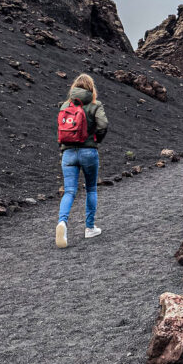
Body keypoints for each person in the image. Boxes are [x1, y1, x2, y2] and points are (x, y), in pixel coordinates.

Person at [55, 74, 108, 248]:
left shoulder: (65, 105)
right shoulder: (94, 105)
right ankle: (89, 227)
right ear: (91, 88)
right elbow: (103, 125)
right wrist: (95, 140)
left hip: (68, 152)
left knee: (69, 191)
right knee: (91, 189)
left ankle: (62, 223)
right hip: (88, 152)